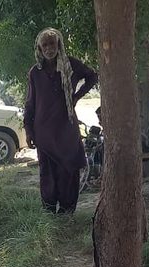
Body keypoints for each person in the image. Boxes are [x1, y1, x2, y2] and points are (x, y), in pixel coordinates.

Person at [23, 27, 98, 214]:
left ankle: (67, 213)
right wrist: (29, 131)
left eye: (52, 44)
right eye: (45, 45)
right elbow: (30, 103)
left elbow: (92, 76)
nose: (49, 48)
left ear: (59, 45)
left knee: (68, 170)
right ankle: (49, 213)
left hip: (66, 128)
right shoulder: (35, 73)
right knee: (47, 174)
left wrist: (76, 96)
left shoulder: (70, 65)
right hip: (44, 132)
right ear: (40, 49)